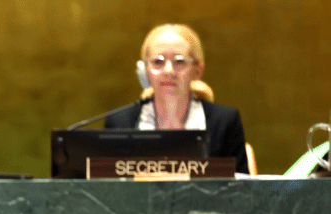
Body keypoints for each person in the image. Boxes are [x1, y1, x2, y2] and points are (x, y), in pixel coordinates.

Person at [105, 24, 250, 175]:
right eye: (158, 62)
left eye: (179, 61)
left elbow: (242, 192)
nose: (169, 71)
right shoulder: (119, 123)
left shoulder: (224, 122)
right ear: (144, 72)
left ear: (198, 70)